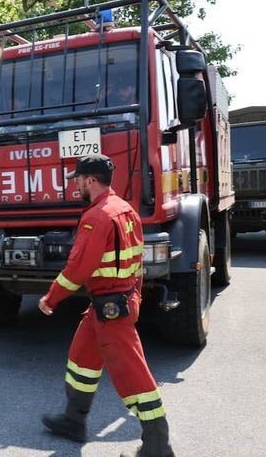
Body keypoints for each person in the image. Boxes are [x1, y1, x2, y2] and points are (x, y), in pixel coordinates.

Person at [38, 154, 174, 457]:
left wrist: (51, 298)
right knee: (80, 359)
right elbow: (137, 261)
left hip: (111, 308)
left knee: (132, 375)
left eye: (78, 180)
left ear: (90, 180)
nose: (76, 185)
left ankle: (157, 445)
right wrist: (135, 295)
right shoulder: (126, 210)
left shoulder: (96, 216)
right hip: (111, 303)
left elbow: (78, 268)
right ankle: (73, 420)